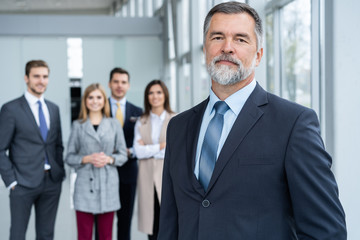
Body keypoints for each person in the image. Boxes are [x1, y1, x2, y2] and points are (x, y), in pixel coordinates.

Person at [158, 2, 346, 240]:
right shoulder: (179, 126)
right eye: (217, 37)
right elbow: (169, 223)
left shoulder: (293, 124)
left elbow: (327, 231)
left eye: (240, 39)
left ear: (258, 55)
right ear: (205, 49)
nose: (227, 47)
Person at [0, 60, 65, 240]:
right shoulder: (10, 109)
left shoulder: (53, 108)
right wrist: (12, 181)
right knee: (18, 234)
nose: (41, 81)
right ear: (26, 78)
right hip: (22, 183)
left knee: (46, 234)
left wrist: (59, 172)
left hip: (51, 182)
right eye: (36, 76)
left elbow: (57, 144)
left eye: (45, 77)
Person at [65, 83, 127, 240]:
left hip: (108, 184)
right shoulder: (78, 126)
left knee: (106, 235)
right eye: (90, 97)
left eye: (99, 97)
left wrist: (109, 159)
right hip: (85, 185)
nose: (95, 101)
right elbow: (69, 157)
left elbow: (123, 154)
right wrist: (86, 158)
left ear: (104, 100)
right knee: (84, 235)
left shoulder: (114, 124)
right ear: (85, 101)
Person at [133, 80, 175, 240]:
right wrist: (161, 147)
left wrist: (149, 148)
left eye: (159, 92)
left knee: (170, 222)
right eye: (151, 93)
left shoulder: (175, 118)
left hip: (167, 177)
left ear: (165, 95)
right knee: (152, 224)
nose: (155, 96)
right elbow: (138, 152)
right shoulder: (141, 121)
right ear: (146, 97)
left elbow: (174, 151)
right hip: (147, 178)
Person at [108, 67, 143, 240]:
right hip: (104, 171)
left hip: (129, 172)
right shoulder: (99, 107)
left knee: (125, 220)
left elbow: (142, 144)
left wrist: (128, 152)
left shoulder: (138, 112)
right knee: (103, 220)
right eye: (116, 82)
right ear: (109, 84)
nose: (119, 86)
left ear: (128, 85)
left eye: (123, 82)